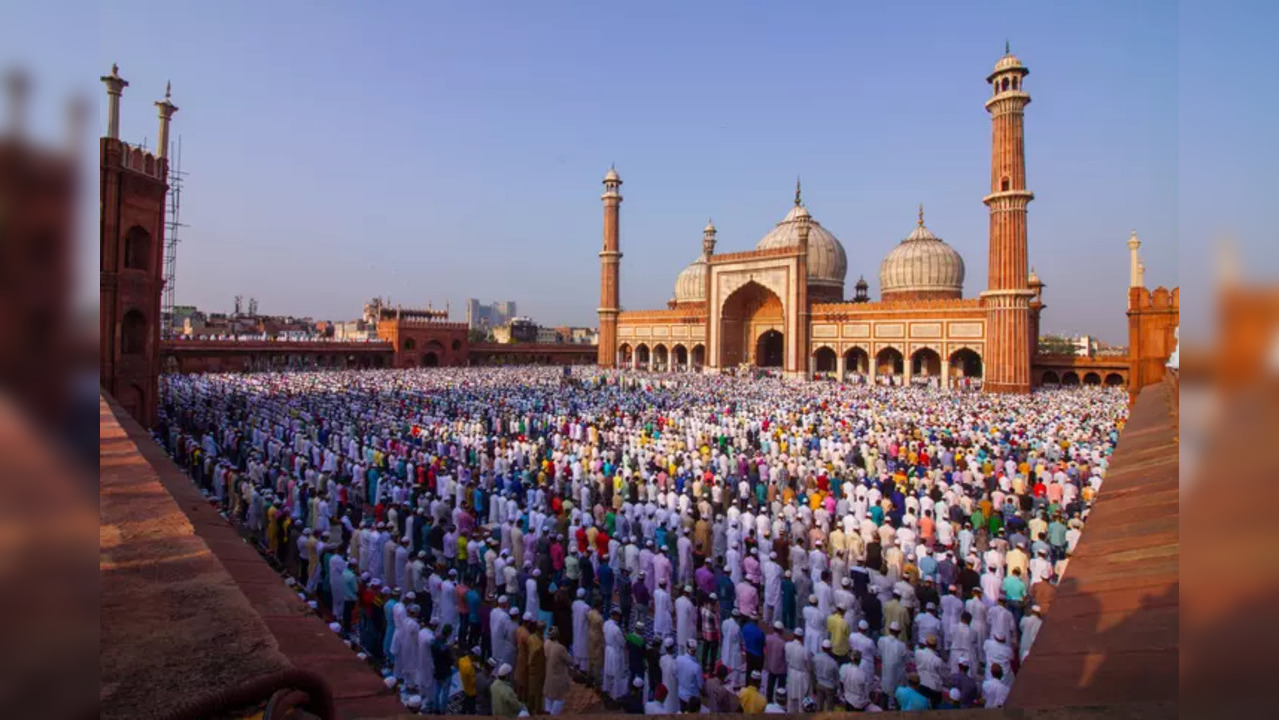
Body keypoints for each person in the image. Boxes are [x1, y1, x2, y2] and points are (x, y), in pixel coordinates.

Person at [543, 626, 573, 715]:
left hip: (548, 676)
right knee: (559, 699)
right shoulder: (560, 648)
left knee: (548, 698)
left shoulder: (546, 644)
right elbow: (570, 661)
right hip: (558, 679)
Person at [458, 645, 480, 714]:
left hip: (464, 687)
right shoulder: (470, 668)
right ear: (474, 656)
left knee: (466, 702)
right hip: (471, 691)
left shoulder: (461, 660)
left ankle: (462, 712)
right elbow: (474, 681)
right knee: (472, 710)